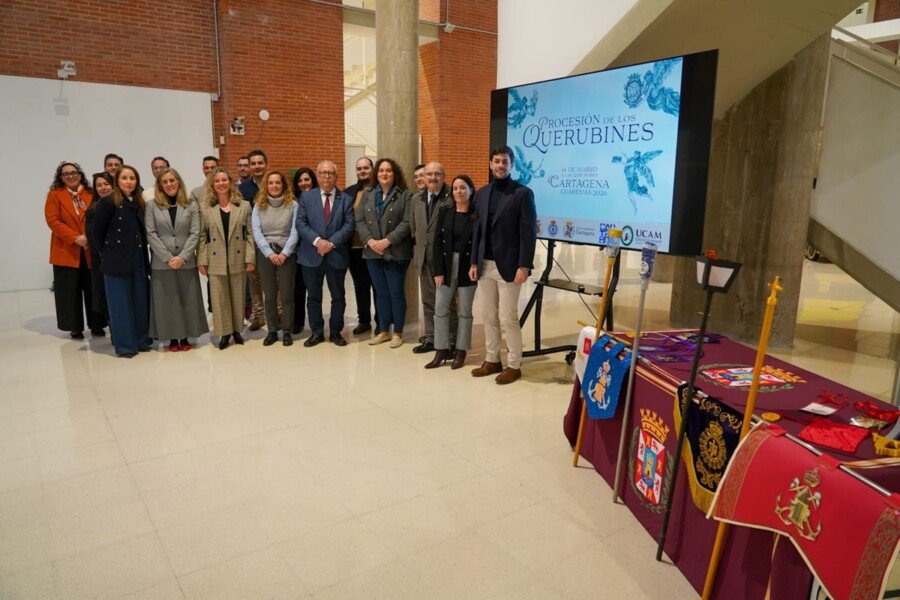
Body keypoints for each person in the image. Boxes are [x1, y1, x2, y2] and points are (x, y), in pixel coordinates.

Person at [469, 145, 537, 384]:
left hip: (509, 264)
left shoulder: (522, 193)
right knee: (488, 314)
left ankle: (514, 365)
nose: (500, 165)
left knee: (508, 317)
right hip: (484, 264)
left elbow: (527, 233)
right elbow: (477, 230)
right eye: (496, 161)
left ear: (511, 165)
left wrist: (525, 265)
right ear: (490, 164)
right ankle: (492, 359)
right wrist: (474, 262)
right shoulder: (482, 193)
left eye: (504, 162)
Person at [145, 168, 209, 351]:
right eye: (164, 182)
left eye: (172, 180)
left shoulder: (190, 204)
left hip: (186, 261)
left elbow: (195, 232)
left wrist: (182, 257)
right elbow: (151, 233)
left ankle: (186, 336)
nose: (169, 184)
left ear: (178, 182)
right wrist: (167, 258)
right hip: (161, 263)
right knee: (167, 302)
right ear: (160, 185)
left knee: (186, 300)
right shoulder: (152, 206)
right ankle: (172, 338)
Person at [92, 166, 152, 357]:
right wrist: (108, 255)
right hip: (116, 260)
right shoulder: (108, 202)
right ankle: (126, 346)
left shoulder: (138, 203)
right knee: (120, 305)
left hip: (138, 258)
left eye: (132, 178)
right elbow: (97, 234)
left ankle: (142, 340)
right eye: (124, 178)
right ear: (117, 180)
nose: (129, 181)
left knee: (140, 300)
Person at [295, 160, 354, 347]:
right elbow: (300, 223)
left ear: (336, 176)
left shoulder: (345, 199)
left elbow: (349, 226)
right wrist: (317, 241)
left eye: (330, 173)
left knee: (338, 296)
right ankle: (317, 332)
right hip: (311, 256)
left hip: (336, 256)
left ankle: (336, 332)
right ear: (317, 176)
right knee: (313, 296)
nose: (326, 176)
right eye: (322, 173)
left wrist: (330, 243)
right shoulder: (307, 198)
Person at [44, 161, 105, 339]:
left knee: (94, 288)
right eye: (66, 174)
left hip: (90, 248)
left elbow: (99, 217)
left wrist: (87, 236)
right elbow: (53, 221)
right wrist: (75, 237)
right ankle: (74, 327)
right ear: (60, 177)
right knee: (69, 291)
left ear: (80, 174)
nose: (70, 176)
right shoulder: (54, 195)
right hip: (66, 250)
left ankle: (97, 324)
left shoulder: (91, 193)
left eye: (74, 172)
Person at [356, 158, 412, 348]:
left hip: (396, 251)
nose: (384, 174)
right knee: (381, 293)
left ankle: (398, 332)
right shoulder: (368, 193)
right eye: (380, 170)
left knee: (396, 292)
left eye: (388, 170)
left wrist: (387, 241)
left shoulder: (405, 195)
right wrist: (370, 241)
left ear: (395, 173)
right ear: (376, 174)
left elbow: (406, 222)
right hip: (372, 252)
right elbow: (360, 220)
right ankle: (383, 331)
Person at [197, 167, 256, 349]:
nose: (221, 184)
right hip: (215, 259)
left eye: (224, 180)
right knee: (219, 298)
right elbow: (202, 236)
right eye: (217, 181)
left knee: (238, 297)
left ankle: (237, 331)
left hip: (238, 257)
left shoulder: (244, 206)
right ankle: (224, 334)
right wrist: (202, 260)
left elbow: (250, 234)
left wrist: (250, 257)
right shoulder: (206, 208)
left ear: (230, 182)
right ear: (212, 185)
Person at [426, 175, 477, 370]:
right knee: (440, 309)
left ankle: (461, 350)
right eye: (455, 188)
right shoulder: (445, 212)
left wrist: (475, 264)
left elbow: (479, 243)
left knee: (464, 311)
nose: (458, 191)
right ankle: (441, 349)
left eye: (463, 188)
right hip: (446, 267)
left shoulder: (476, 215)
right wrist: (438, 271)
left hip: (468, 267)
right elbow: (437, 243)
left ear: (471, 190)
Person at [410, 161, 454, 354]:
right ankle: (431, 338)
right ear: (424, 177)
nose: (432, 178)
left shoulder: (451, 197)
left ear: (444, 176)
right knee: (428, 300)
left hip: (445, 260)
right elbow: (414, 229)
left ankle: (451, 341)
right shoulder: (416, 200)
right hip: (423, 258)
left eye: (437, 174)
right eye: (429, 174)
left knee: (448, 302)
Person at [252, 170, 299, 347]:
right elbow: (256, 231)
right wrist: (269, 253)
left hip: (287, 253)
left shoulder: (293, 205)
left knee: (286, 295)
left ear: (283, 185)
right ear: (266, 185)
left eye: (277, 183)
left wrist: (285, 253)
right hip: (266, 255)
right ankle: (272, 331)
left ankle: (286, 331)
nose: (274, 186)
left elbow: (295, 231)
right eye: (270, 183)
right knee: (269, 295)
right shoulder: (258, 206)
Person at [344, 157, 378, 335]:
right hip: (355, 249)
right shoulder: (349, 192)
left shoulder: (380, 190)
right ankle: (364, 321)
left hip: (376, 248)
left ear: (372, 169)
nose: (362, 171)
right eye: (359, 169)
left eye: (366, 168)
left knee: (378, 286)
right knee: (360, 286)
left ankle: (381, 321)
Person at [238, 149, 268, 331]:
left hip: (273, 240)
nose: (257, 166)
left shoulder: (274, 183)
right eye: (253, 163)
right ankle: (259, 316)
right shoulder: (242, 189)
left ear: (266, 164)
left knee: (276, 280)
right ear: (249, 166)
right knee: (254, 280)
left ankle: (277, 314)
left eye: (260, 163)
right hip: (251, 241)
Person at [289, 167, 318, 335]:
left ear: (313, 180)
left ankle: (316, 322)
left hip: (313, 249)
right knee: (297, 289)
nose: (303, 183)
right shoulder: (293, 200)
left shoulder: (319, 198)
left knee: (313, 289)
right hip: (296, 250)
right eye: (300, 181)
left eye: (306, 179)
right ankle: (297, 321)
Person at [85, 172, 113, 327]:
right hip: (103, 261)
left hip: (121, 260)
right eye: (99, 185)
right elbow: (93, 238)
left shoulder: (121, 204)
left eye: (106, 184)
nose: (103, 188)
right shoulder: (92, 210)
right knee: (106, 297)